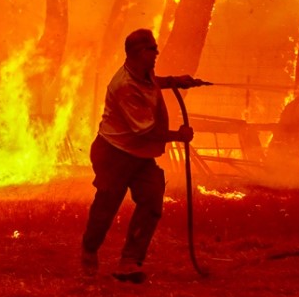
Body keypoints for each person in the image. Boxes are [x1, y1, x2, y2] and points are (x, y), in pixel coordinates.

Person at [81, 28, 206, 283]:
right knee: (107, 206)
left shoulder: (141, 71)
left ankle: (129, 261)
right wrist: (178, 136)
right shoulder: (124, 86)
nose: (156, 53)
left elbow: (151, 82)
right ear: (138, 54)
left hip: (139, 156)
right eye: (152, 49)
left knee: (151, 200)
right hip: (114, 154)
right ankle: (89, 249)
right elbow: (146, 132)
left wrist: (174, 81)